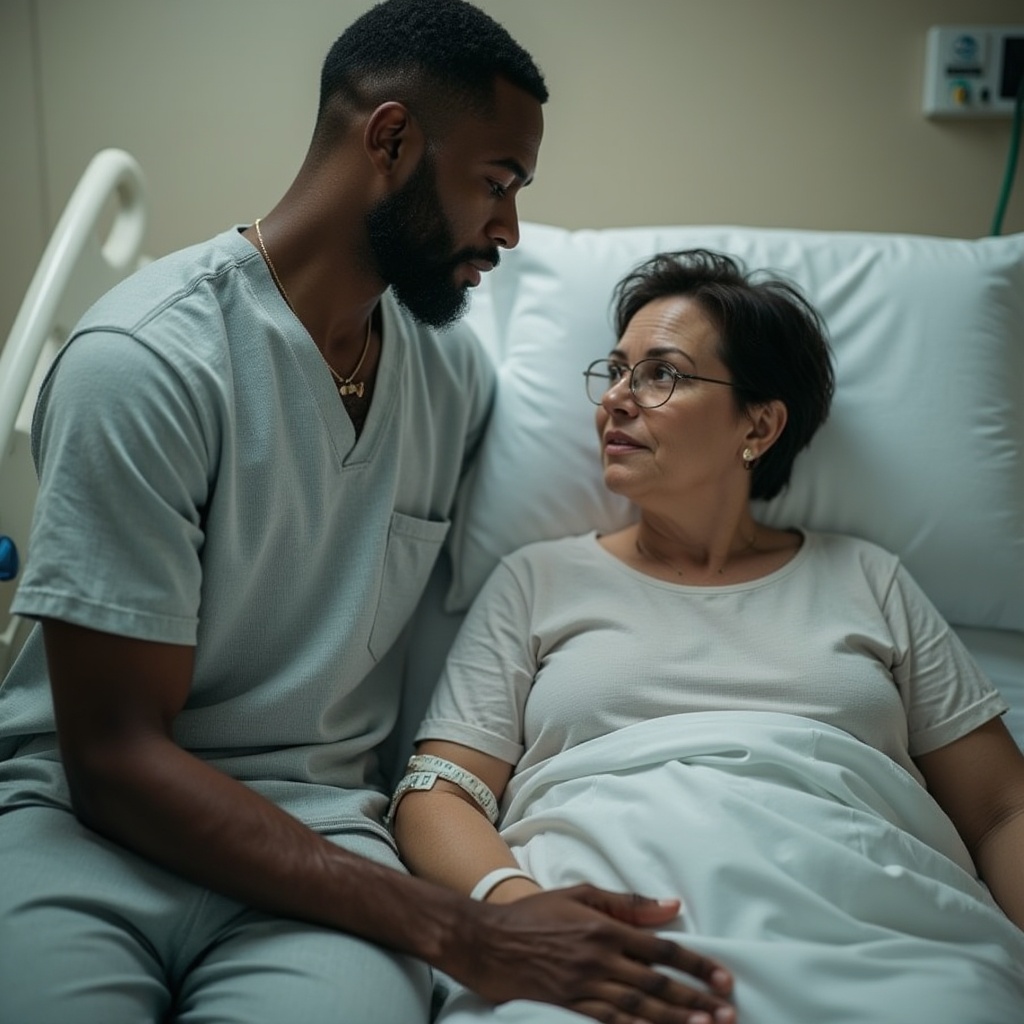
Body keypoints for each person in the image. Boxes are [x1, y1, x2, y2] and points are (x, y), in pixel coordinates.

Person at [0, 5, 737, 1024]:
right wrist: (462, 930)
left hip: (326, 853)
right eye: (496, 183)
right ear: (389, 142)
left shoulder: (449, 378)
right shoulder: (149, 364)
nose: (510, 231)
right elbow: (115, 758)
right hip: (87, 839)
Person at [392, 249, 1024, 1022]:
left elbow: (1001, 810)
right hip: (600, 956)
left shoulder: (868, 579)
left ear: (758, 424)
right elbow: (437, 791)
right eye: (616, 371)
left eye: (660, 375)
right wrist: (519, 908)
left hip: (880, 943)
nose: (617, 400)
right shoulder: (537, 580)